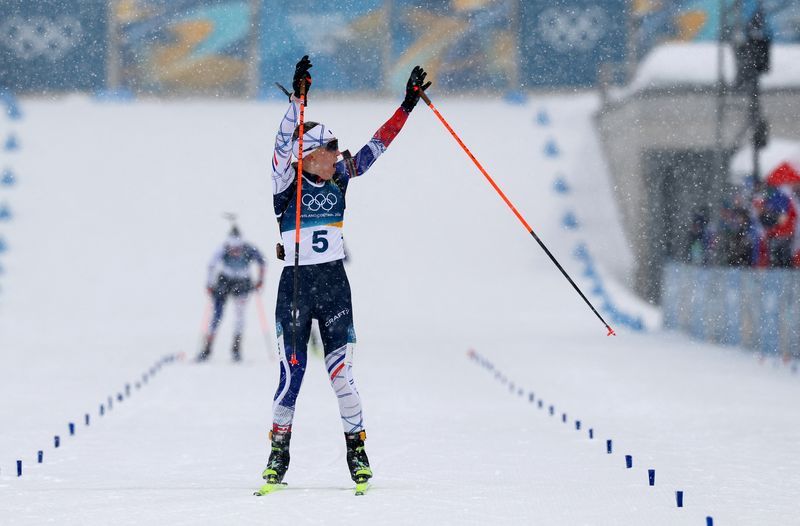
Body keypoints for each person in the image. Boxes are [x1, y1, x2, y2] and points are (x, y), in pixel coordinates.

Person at [260, 55, 430, 490]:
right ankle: (278, 455)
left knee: (343, 380)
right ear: (309, 156)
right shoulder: (286, 183)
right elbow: (282, 142)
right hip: (295, 290)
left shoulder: (341, 177)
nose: (338, 153)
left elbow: (378, 145)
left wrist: (407, 106)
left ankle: (357, 450)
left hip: (334, 288)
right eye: (330, 147)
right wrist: (299, 101)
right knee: (291, 378)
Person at [197, 226, 265, 362]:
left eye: (237, 248)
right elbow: (211, 264)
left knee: (240, 316)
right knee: (217, 315)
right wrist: (209, 284)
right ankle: (207, 348)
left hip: (243, 283)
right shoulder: (223, 248)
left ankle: (236, 349)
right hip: (225, 282)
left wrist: (260, 280)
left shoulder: (249, 248)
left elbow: (262, 262)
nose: (235, 251)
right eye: (232, 248)